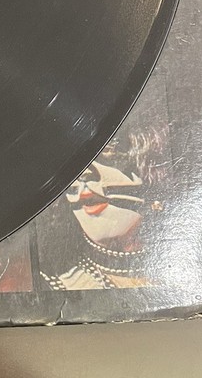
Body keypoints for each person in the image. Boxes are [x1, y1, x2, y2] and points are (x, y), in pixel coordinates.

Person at [38, 122, 167, 290]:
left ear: (154, 177)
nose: (83, 174)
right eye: (71, 164)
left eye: (109, 157)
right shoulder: (49, 284)